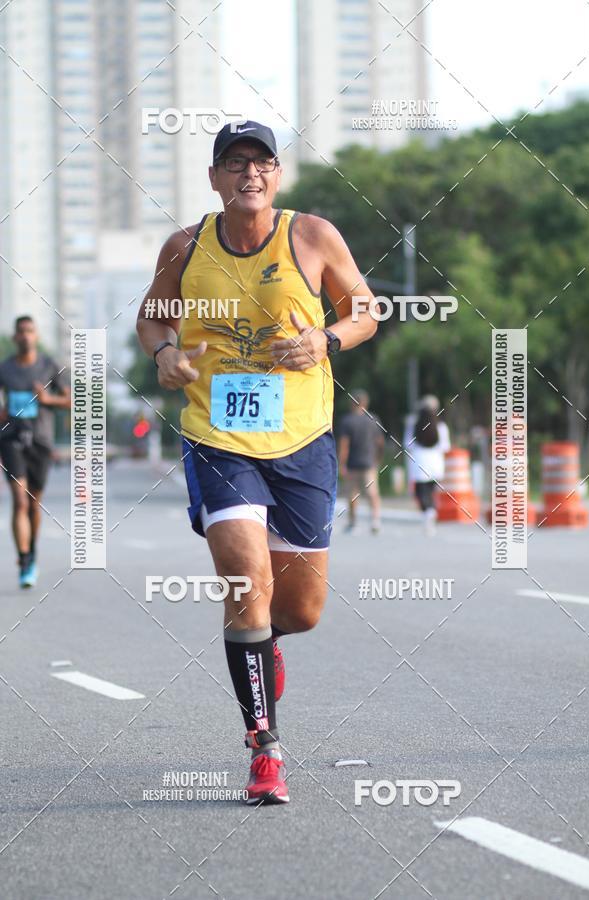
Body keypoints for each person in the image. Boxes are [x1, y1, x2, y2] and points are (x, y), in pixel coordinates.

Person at [136, 120, 377, 805]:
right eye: (234, 162)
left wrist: (326, 340)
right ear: (213, 178)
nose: (249, 173)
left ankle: (264, 645)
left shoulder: (312, 236)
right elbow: (153, 318)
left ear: (277, 175)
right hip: (217, 435)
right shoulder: (185, 248)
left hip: (302, 439)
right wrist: (164, 353)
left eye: (262, 162)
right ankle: (264, 749)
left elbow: (366, 310)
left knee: (297, 612)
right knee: (247, 585)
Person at [0, 316, 71, 587]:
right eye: (21, 332)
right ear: (15, 337)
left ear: (36, 336)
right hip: (10, 438)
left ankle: (32, 552)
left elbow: (70, 400)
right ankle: (25, 559)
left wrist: (48, 399)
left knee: (33, 504)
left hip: (40, 441)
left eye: (30, 331)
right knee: (19, 500)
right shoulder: (4, 369)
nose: (26, 336)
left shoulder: (49, 365)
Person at [337, 389, 385, 533]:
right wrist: (378, 459)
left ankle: (353, 523)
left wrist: (342, 464)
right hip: (370, 463)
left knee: (352, 494)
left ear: (352, 403)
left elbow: (344, 445)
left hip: (352, 464)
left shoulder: (347, 421)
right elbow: (380, 442)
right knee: (372, 492)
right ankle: (375, 521)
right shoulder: (373, 419)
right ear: (365, 403)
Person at [404, 395, 450, 535]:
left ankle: (428, 512)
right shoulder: (441, 426)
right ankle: (431, 513)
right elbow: (445, 446)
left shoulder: (413, 423)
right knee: (430, 491)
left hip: (419, 462)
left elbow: (407, 443)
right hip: (436, 463)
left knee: (421, 492)